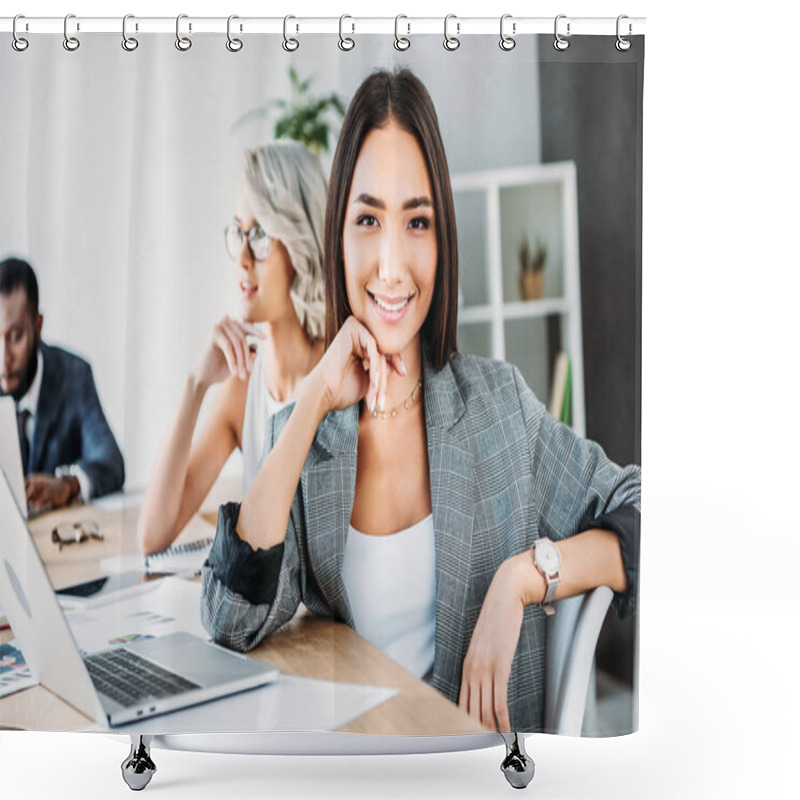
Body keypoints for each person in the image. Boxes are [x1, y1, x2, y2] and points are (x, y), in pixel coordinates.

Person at [201, 69, 640, 734]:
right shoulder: (308, 436)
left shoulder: (498, 410)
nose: (392, 264)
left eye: (418, 221)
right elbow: (231, 619)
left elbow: (647, 515)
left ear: (443, 237)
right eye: (368, 219)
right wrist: (317, 394)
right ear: (336, 234)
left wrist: (524, 576)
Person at [138, 141, 327, 555]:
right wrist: (195, 386)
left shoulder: (338, 377)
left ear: (299, 243)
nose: (242, 257)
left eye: (259, 235)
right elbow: (154, 535)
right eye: (238, 232)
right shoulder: (243, 389)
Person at [0, 257, 125, 511]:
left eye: (15, 337)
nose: (4, 358)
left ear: (37, 326)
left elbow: (111, 463)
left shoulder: (74, 375)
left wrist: (69, 485)